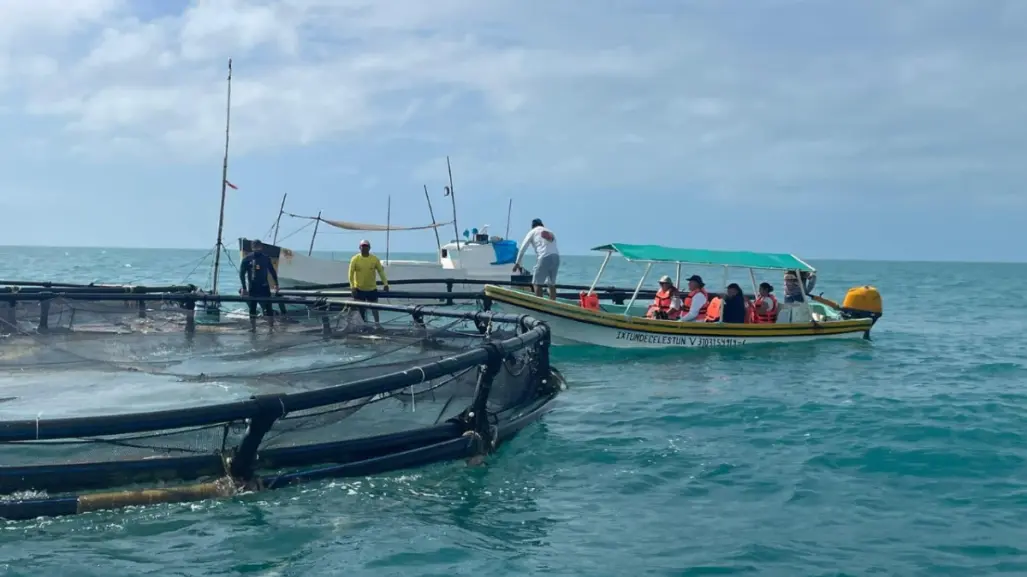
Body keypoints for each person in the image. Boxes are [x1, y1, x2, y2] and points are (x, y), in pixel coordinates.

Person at [512, 218, 560, 300]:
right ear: (542, 225)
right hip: (556, 257)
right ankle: (553, 305)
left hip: (544, 256)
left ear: (532, 226)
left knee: (537, 283)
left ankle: (539, 305)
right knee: (551, 284)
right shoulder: (550, 232)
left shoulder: (533, 232)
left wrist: (517, 263)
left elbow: (523, 248)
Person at [238, 239, 279, 331]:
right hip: (253, 287)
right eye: (255, 247)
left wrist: (276, 284)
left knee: (269, 307)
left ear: (261, 247)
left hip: (264, 286)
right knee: (252, 308)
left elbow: (272, 271)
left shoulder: (266, 258)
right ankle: (253, 328)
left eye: (258, 246)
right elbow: (241, 274)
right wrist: (244, 287)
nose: (257, 248)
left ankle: (271, 328)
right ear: (252, 248)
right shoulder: (247, 259)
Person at [348, 239, 389, 328]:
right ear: (359, 248)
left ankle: (377, 325)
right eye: (363, 246)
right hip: (359, 289)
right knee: (360, 309)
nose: (364, 248)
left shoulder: (374, 259)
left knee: (375, 308)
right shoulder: (355, 259)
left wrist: (385, 284)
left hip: (371, 289)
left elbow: (381, 272)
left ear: (369, 248)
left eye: (366, 246)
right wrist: (352, 287)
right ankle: (361, 326)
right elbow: (350, 274)